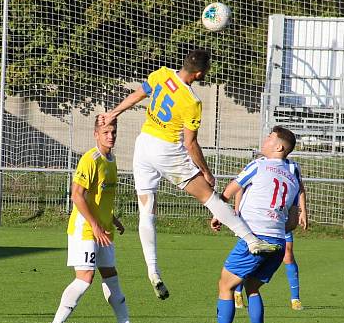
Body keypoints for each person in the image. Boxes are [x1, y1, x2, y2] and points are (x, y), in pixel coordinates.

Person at [99, 49, 281, 300]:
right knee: (209, 197)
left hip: (143, 145)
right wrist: (206, 172)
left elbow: (139, 93)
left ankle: (153, 269)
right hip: (166, 150)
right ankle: (251, 240)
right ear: (199, 73)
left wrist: (114, 113)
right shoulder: (192, 102)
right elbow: (190, 144)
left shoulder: (162, 74)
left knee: (146, 209)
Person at [45, 117, 153, 323]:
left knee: (110, 275)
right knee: (85, 277)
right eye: (105, 132)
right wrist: (94, 225)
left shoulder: (111, 159)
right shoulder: (90, 159)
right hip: (85, 228)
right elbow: (77, 195)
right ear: (96, 134)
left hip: (103, 229)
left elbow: (98, 198)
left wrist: (112, 220)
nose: (110, 136)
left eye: (113, 132)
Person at [204, 127, 301, 323]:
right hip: (278, 241)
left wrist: (219, 214)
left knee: (225, 285)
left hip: (255, 238)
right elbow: (294, 220)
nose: (265, 140)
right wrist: (275, 227)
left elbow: (229, 190)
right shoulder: (293, 173)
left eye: (269, 138)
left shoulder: (258, 165)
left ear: (279, 146)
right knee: (253, 287)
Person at [233, 157, 308, 310]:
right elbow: (239, 186)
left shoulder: (293, 167)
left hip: (281, 220)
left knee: (288, 254)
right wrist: (237, 210)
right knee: (251, 253)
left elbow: (299, 189)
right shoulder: (260, 164)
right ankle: (237, 290)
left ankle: (295, 298)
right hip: (257, 221)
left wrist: (303, 211)